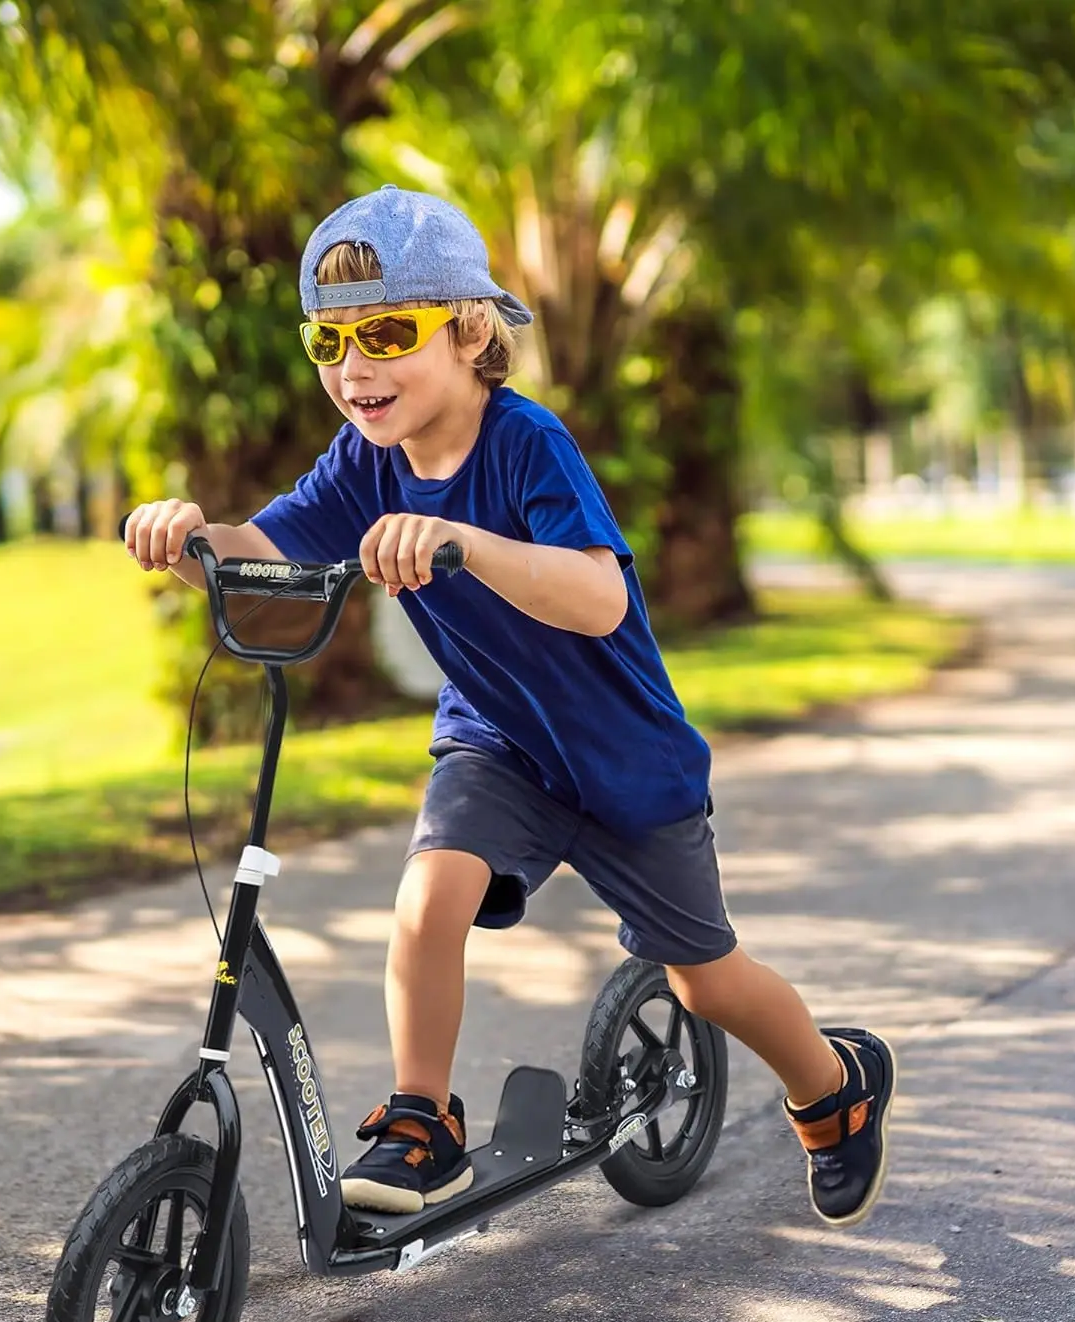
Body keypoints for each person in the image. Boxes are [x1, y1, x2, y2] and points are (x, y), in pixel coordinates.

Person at [123, 186, 895, 1228]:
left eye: (389, 333)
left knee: (707, 983)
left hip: (626, 762)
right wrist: (191, 543)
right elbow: (268, 552)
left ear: (471, 329)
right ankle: (422, 1124)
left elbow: (597, 594)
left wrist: (467, 547)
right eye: (329, 341)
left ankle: (831, 1089)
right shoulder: (368, 461)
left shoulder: (525, 445)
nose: (356, 368)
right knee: (426, 902)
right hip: (497, 744)